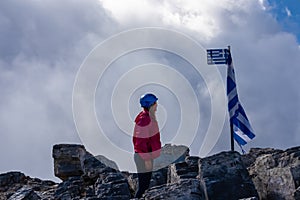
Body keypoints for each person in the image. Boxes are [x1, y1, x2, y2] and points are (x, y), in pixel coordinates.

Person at [132, 93, 162, 198]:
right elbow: (140, 142)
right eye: (155, 103)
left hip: (144, 156)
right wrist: (147, 159)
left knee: (145, 186)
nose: (157, 105)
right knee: (143, 187)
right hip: (143, 157)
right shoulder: (145, 119)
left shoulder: (147, 117)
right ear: (151, 105)